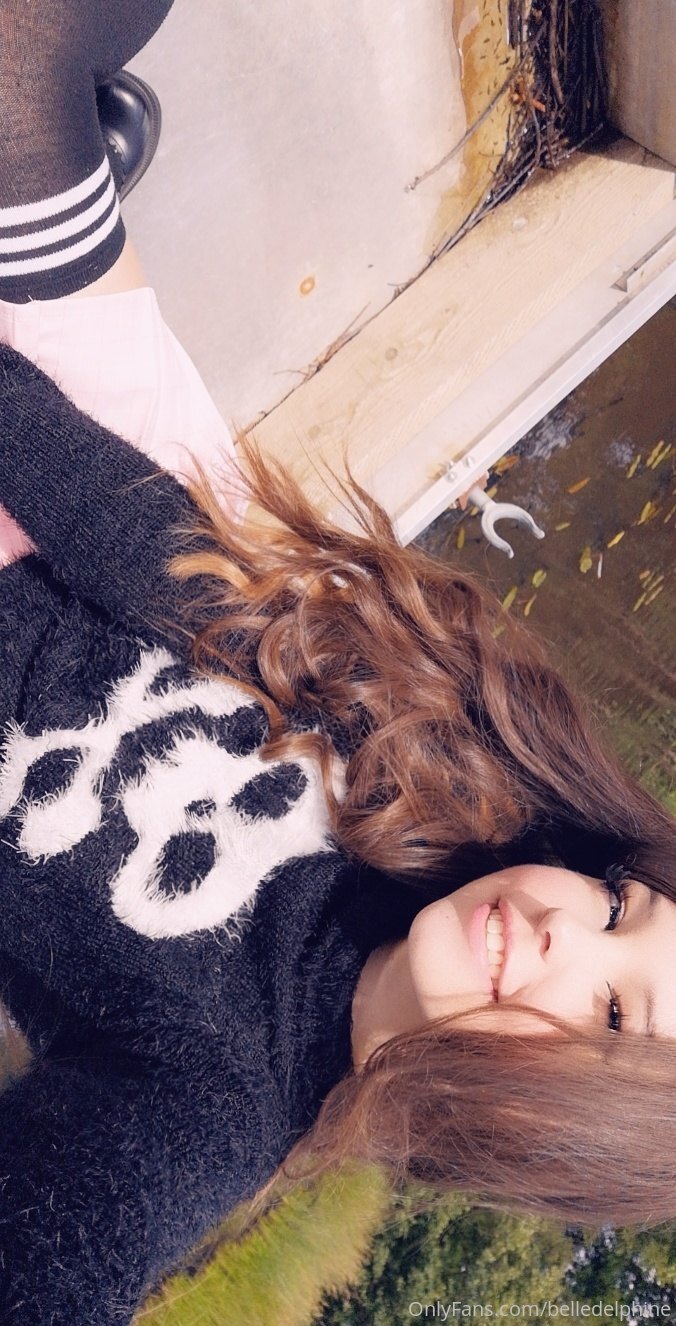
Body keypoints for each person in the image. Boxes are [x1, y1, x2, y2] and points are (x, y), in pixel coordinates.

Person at [0, 2, 674, 1322]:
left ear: (548, 1134)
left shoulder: (207, 1106)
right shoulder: (422, 784)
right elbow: (153, 551)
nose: (564, 932)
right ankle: (80, 150)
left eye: (610, 1018)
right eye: (616, 908)